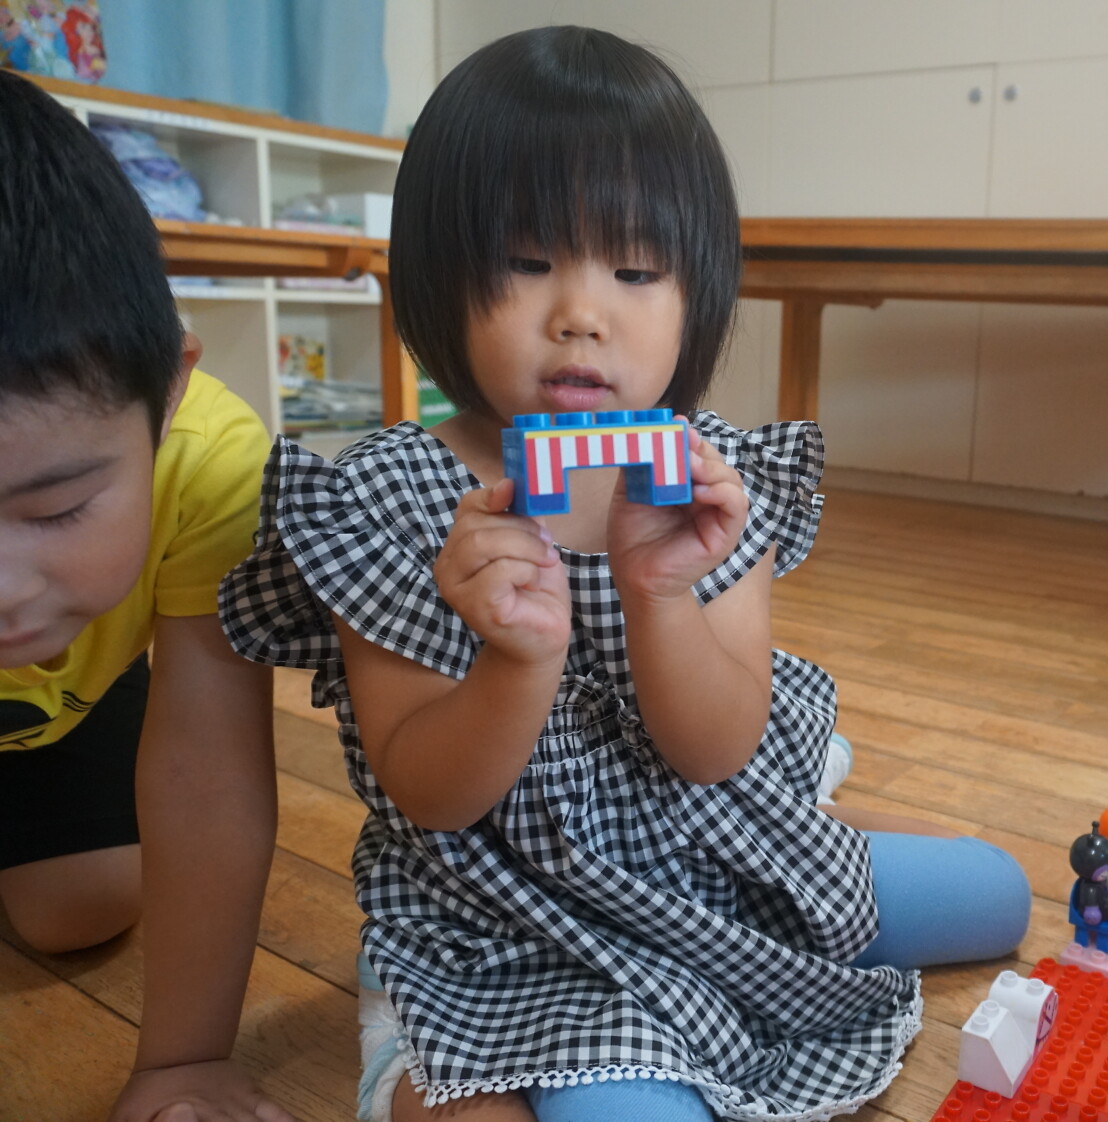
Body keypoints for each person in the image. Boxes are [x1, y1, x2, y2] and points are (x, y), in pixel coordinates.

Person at [218, 27, 1031, 1122]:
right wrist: (518, 660)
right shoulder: (389, 499)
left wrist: (659, 592)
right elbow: (430, 793)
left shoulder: (711, 477)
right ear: (441, 273)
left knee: (1001, 896)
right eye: (526, 262)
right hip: (513, 912)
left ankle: (809, 844)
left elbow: (715, 748)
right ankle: (408, 1037)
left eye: (636, 270)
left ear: (697, 291)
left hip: (710, 846)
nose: (581, 314)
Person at [0, 72, 288, 1121]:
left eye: (57, 507)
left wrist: (180, 1062)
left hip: (65, 700)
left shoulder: (213, 462)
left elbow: (207, 771)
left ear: (168, 394)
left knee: (84, 906)